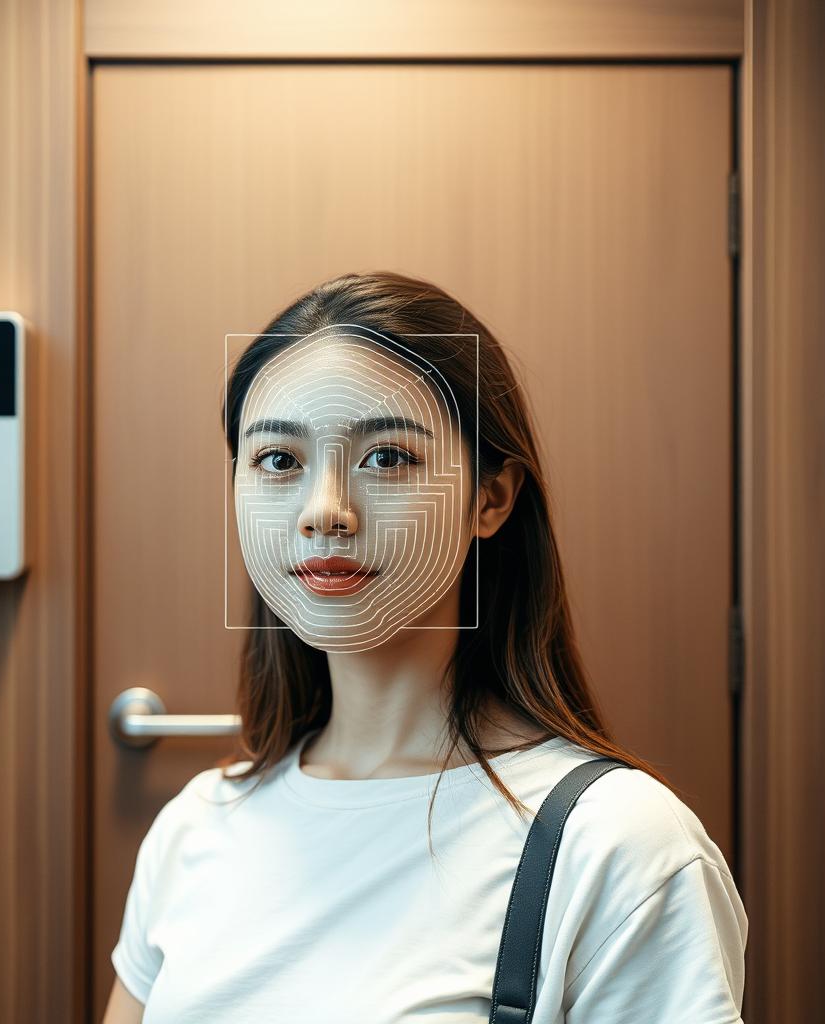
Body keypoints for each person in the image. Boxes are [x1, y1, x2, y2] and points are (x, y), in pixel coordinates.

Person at [102, 271, 747, 1023]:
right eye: (279, 460)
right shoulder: (196, 827)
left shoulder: (618, 845)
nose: (324, 512)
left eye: (387, 458)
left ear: (491, 498)